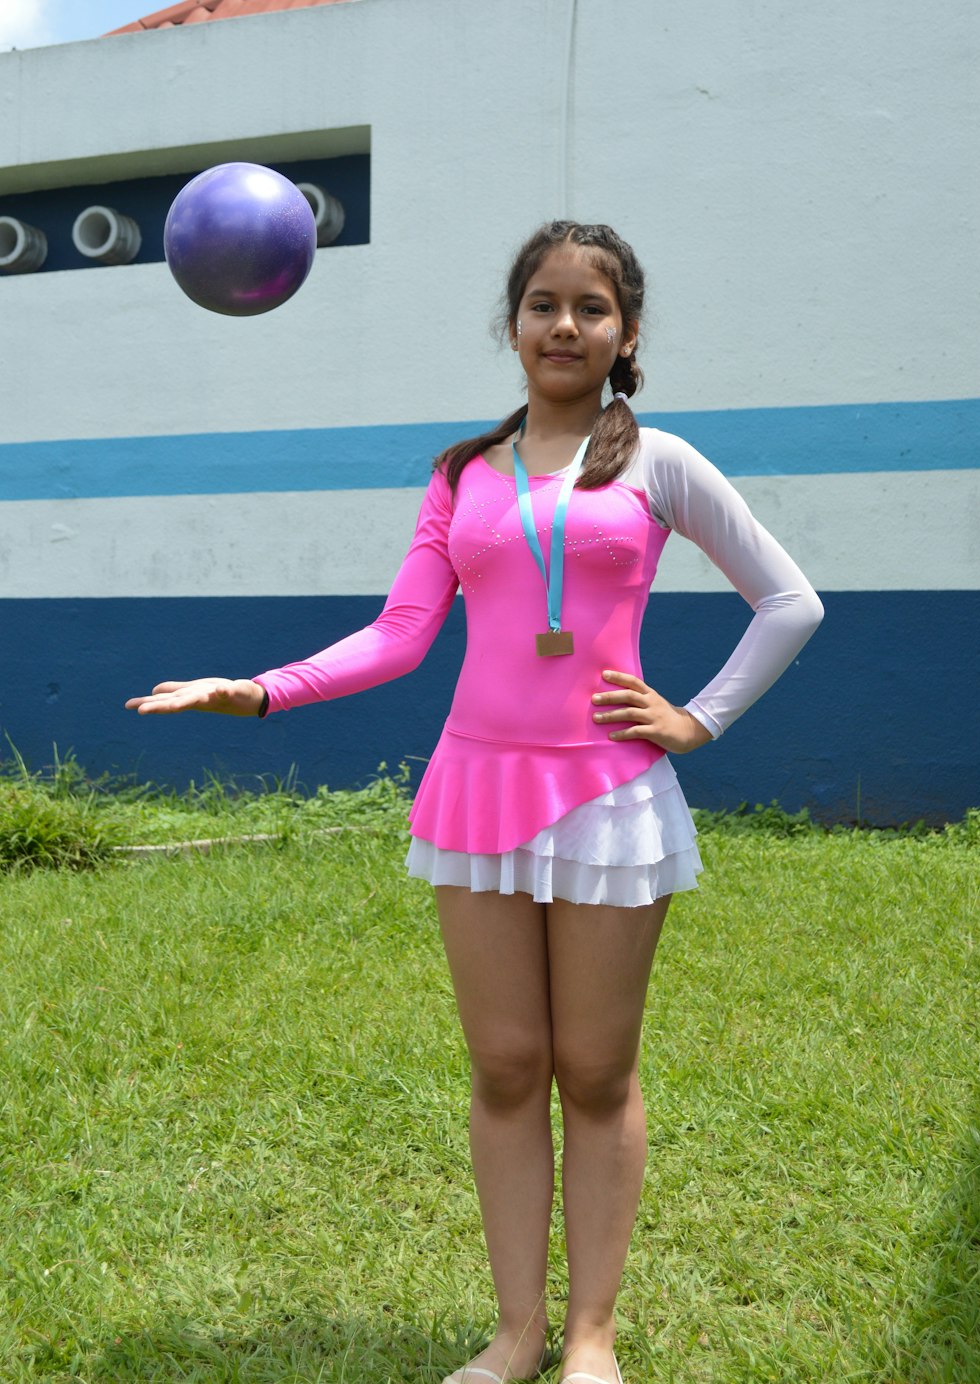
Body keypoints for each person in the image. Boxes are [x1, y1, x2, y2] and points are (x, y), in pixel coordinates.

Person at [126, 221, 823, 1384]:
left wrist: (699, 717)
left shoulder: (662, 463)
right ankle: (513, 1334)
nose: (564, 325)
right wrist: (257, 691)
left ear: (626, 332)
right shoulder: (461, 473)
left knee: (594, 1070)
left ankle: (589, 1335)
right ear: (512, 326)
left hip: (607, 798)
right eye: (542, 304)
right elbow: (402, 636)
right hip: (474, 793)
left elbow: (788, 600)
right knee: (505, 1065)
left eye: (590, 308)